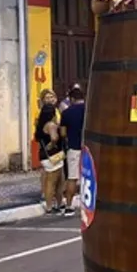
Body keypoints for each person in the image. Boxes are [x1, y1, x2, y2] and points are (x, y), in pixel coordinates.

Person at [58, 87, 86, 217]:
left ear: (72, 99)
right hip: (89, 148)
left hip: (74, 148)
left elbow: (63, 133)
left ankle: (69, 206)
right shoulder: (89, 110)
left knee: (72, 178)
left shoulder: (67, 113)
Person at [35, 104, 65, 214]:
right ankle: (50, 206)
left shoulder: (41, 125)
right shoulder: (51, 125)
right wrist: (53, 143)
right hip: (53, 155)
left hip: (45, 155)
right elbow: (54, 138)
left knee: (56, 180)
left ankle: (58, 203)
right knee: (53, 182)